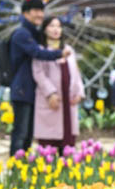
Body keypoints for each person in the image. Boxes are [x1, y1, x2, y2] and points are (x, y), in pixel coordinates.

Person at [8, 0, 70, 156]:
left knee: (28, 132)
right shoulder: (22, 34)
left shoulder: (33, 33)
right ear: (25, 13)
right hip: (22, 89)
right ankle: (15, 164)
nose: (40, 14)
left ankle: (23, 165)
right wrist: (59, 54)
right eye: (35, 11)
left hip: (29, 90)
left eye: (41, 11)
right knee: (21, 132)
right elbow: (37, 53)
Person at [32, 16, 85, 150]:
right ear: (44, 30)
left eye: (58, 26)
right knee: (49, 145)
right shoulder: (41, 50)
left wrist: (79, 92)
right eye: (52, 26)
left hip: (69, 100)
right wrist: (50, 93)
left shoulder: (68, 49)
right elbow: (39, 73)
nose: (56, 29)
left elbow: (76, 73)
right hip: (51, 100)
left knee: (68, 142)